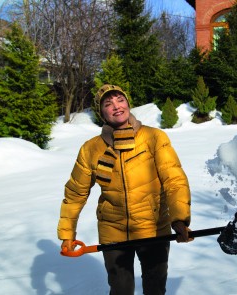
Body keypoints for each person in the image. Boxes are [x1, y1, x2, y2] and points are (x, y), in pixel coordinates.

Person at [57, 84, 192, 295]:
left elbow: (174, 180)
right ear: (102, 113)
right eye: (108, 104)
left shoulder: (153, 138)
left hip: (153, 227)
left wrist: (180, 219)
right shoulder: (91, 148)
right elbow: (75, 193)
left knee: (155, 287)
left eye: (120, 100)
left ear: (128, 104)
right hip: (113, 230)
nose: (116, 106)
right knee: (120, 290)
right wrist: (67, 232)